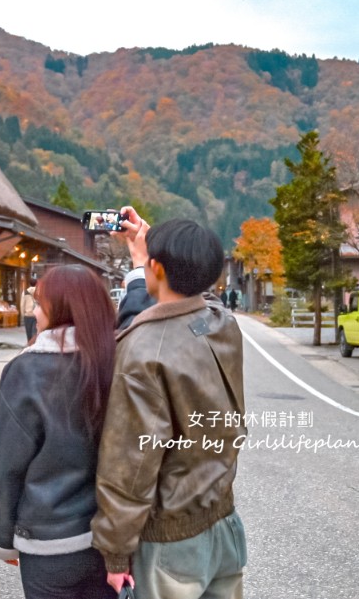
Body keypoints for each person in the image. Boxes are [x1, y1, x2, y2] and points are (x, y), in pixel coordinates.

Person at [92, 207, 247, 599]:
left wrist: (115, 552)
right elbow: (192, 300)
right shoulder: (221, 322)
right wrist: (147, 257)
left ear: (157, 268)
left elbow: (130, 463)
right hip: (223, 523)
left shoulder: (142, 350)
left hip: (172, 543)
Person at [0, 265, 119, 599]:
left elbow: (6, 467)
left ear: (59, 309)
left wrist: (3, 536)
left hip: (48, 542)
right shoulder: (116, 361)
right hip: (110, 538)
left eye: (39, 304)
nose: (33, 312)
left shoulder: (26, 370)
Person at [22, 274, 39, 342]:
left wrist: (23, 314)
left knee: (28, 333)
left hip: (28, 315)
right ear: (36, 284)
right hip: (36, 314)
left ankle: (29, 343)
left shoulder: (25, 292)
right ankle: (34, 343)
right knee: (35, 332)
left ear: (29, 283)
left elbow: (22, 304)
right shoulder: (39, 291)